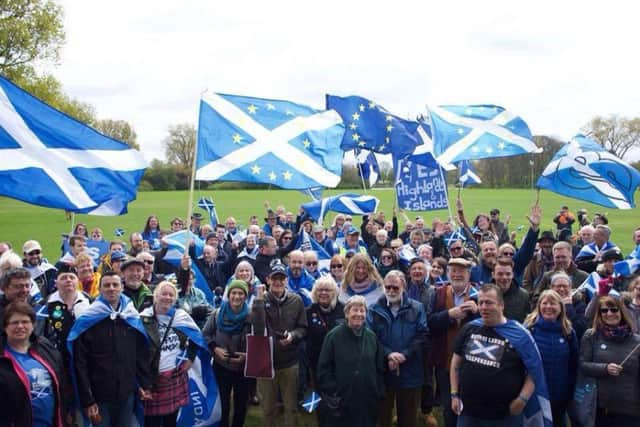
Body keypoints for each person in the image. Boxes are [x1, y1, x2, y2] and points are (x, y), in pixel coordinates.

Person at [450, 284, 551, 426]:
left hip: (503, 416)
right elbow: (455, 363)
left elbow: (535, 370)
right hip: (468, 412)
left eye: (489, 303)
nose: (484, 307)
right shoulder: (470, 328)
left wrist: (522, 399)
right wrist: (454, 394)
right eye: (481, 303)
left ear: (501, 305)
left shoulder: (520, 334)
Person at [69, 271, 152, 427]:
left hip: (126, 393)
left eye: (115, 285)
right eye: (106, 285)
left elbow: (140, 354)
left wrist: (144, 383)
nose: (111, 288)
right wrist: (88, 399)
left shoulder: (130, 317)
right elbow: (80, 363)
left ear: (122, 288)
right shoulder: (88, 321)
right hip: (100, 396)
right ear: (100, 289)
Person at [368, 270, 429, 427]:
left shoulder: (417, 308)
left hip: (410, 370)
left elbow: (422, 336)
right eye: (387, 287)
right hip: (383, 370)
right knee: (382, 417)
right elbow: (371, 337)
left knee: (408, 418)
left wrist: (404, 355)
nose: (391, 291)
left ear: (404, 286)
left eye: (395, 287)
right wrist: (388, 354)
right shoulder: (374, 309)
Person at [251, 261, 307, 427]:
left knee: (291, 407)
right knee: (268, 408)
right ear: (268, 280)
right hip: (265, 364)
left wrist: (292, 336)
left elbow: (303, 328)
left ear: (286, 280)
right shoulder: (259, 300)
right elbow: (258, 330)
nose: (278, 282)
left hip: (290, 363)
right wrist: (260, 301)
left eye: (281, 278)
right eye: (275, 278)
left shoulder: (296, 301)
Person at [316, 295, 385, 427]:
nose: (358, 314)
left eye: (362, 310)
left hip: (367, 401)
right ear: (347, 313)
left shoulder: (371, 337)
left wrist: (378, 391)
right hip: (342, 401)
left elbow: (379, 367)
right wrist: (334, 390)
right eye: (354, 310)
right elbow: (323, 368)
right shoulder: (333, 336)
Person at [426, 258, 479, 427]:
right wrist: (449, 315)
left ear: (468, 274)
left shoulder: (478, 295)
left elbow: (488, 326)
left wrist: (477, 313)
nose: (457, 275)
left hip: (472, 362)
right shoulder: (438, 293)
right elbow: (430, 323)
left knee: (471, 406)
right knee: (449, 406)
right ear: (448, 273)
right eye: (453, 271)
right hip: (444, 358)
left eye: (461, 271)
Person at [140, 281, 199, 427]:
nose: (167, 297)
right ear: (155, 296)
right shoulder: (142, 318)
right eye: (163, 294)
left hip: (175, 376)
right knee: (151, 422)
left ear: (175, 298)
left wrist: (190, 358)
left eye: (171, 295)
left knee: (171, 421)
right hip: (152, 379)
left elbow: (196, 337)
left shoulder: (181, 317)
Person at [0, 302, 68, 426]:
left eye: (25, 322)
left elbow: (62, 385)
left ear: (33, 325)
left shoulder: (46, 349)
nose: (20, 326)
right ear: (5, 327)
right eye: (14, 322)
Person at [579, 295, 640, 424]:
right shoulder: (591, 336)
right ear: (599, 314)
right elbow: (583, 365)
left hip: (630, 410)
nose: (609, 313)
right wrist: (605, 368)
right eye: (604, 310)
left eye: (614, 309)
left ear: (621, 312)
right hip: (600, 408)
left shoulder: (636, 341)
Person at [524, 290, 578, 427]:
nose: (548, 307)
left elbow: (573, 364)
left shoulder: (568, 331)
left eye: (553, 303)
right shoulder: (529, 329)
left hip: (560, 395)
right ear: (539, 306)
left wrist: (570, 392)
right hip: (534, 395)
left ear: (560, 307)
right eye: (545, 303)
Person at [203, 280, 252, 427]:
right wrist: (215, 349)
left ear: (246, 296)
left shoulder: (251, 316)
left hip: (243, 368)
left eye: (241, 293)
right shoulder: (217, 314)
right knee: (223, 404)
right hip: (221, 366)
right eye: (234, 293)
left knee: (241, 405)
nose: (237, 297)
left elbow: (259, 341)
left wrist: (247, 356)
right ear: (228, 295)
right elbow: (205, 334)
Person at [305, 276, 345, 389]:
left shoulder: (343, 310)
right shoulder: (308, 312)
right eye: (320, 290)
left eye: (327, 290)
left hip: (339, 363)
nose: (323, 293)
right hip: (316, 364)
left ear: (334, 292)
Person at [492, 256, 530, 323]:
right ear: (493, 275)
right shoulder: (484, 295)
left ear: (512, 274)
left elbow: (527, 322)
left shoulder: (524, 296)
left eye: (508, 274)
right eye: (500, 274)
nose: (504, 277)